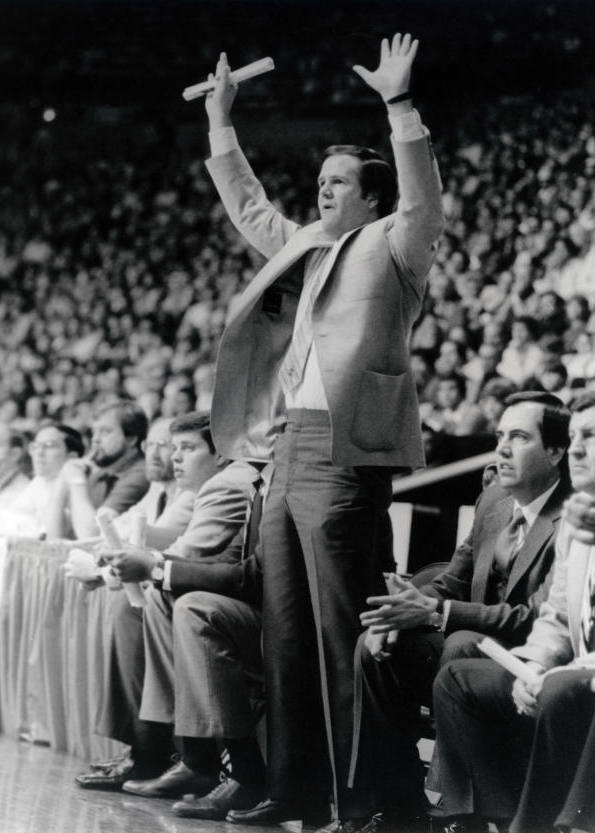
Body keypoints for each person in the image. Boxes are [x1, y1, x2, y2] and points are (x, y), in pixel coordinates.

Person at [204, 32, 444, 828]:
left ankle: (366, 800)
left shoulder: (396, 243)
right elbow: (249, 208)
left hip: (344, 452)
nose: (322, 193)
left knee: (343, 631)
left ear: (372, 197)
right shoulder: (310, 245)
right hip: (286, 449)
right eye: (319, 181)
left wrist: (400, 105)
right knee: (286, 632)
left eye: (339, 182)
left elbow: (423, 199)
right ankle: (293, 789)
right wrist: (220, 123)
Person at [352, 392, 571, 832]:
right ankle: (397, 803)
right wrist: (396, 613)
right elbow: (452, 577)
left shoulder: (570, 517)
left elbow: (533, 615)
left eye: (520, 438)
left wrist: (437, 612)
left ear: (555, 452)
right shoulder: (494, 500)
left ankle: (464, 817)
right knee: (371, 646)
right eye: (500, 436)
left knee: (460, 643)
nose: (502, 449)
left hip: (529, 658)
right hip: (467, 643)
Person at [432, 390, 595, 833]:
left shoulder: (566, 515)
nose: (578, 448)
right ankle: (478, 817)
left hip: (583, 676)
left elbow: (533, 613)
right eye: (575, 435)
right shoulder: (579, 521)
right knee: (457, 678)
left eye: (591, 436)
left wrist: (555, 673)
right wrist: (531, 665)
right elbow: (558, 618)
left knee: (563, 690)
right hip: (566, 668)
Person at [73, 411, 258, 791]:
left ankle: (156, 750)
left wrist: (112, 571)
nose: (172, 457)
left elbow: (182, 553)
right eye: (168, 447)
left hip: (245, 613)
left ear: (221, 452)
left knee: (141, 601)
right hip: (227, 599)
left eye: (185, 448)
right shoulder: (197, 486)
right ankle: (151, 749)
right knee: (144, 598)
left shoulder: (226, 485)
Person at [45, 399, 149, 539]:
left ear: (131, 439)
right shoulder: (100, 473)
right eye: (94, 432)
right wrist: (63, 481)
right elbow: (55, 538)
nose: (95, 440)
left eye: (105, 432)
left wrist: (76, 482)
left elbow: (92, 536)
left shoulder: (141, 474)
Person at [113, 416, 195, 550]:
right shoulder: (158, 486)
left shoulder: (192, 490)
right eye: (150, 445)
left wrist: (131, 531)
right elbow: (116, 525)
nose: (153, 454)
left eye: (163, 445)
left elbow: (150, 538)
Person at [0, 422, 84, 538]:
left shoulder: (78, 487)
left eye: (50, 445)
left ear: (71, 457)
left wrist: (27, 525)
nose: (39, 453)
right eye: (35, 446)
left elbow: (49, 535)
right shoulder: (39, 481)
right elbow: (1, 523)